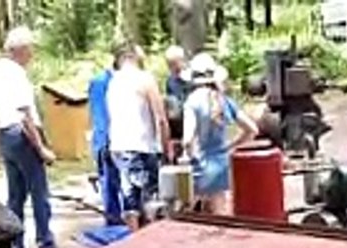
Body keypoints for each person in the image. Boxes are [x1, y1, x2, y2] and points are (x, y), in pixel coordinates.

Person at [0, 27, 66, 248]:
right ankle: (46, 244)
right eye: (30, 49)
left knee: (15, 196)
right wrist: (41, 148)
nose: (32, 55)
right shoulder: (15, 73)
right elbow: (25, 113)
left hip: (4, 134)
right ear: (21, 49)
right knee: (39, 193)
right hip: (22, 135)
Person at [181, 53, 258, 214]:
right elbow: (252, 129)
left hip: (200, 167)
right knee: (220, 216)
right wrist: (232, 146)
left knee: (191, 217)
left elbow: (187, 139)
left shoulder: (192, 101)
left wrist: (188, 155)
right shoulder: (224, 100)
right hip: (222, 166)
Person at [108, 43, 170, 229]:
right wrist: (166, 147)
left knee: (130, 199)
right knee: (150, 199)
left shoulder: (113, 81)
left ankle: (133, 237)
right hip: (142, 145)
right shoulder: (145, 79)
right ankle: (148, 237)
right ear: (134, 56)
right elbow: (160, 118)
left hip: (119, 146)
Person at [88, 55, 123, 226]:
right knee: (111, 185)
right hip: (108, 140)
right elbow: (101, 114)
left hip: (110, 139)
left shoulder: (103, 81)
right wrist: (108, 140)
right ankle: (115, 223)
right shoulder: (103, 83)